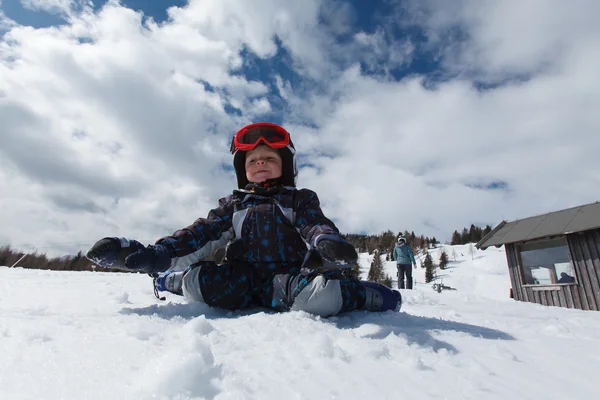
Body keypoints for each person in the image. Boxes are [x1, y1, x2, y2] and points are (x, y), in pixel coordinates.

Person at [86, 122, 401, 317]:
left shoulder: (298, 199)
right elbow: (200, 235)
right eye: (253, 159)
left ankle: (362, 293)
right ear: (243, 169)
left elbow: (314, 223)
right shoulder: (233, 205)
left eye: (270, 158)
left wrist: (326, 241)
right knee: (200, 282)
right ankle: (169, 280)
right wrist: (158, 254)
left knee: (320, 297)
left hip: (287, 279)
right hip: (240, 279)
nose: (260, 161)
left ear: (286, 166)